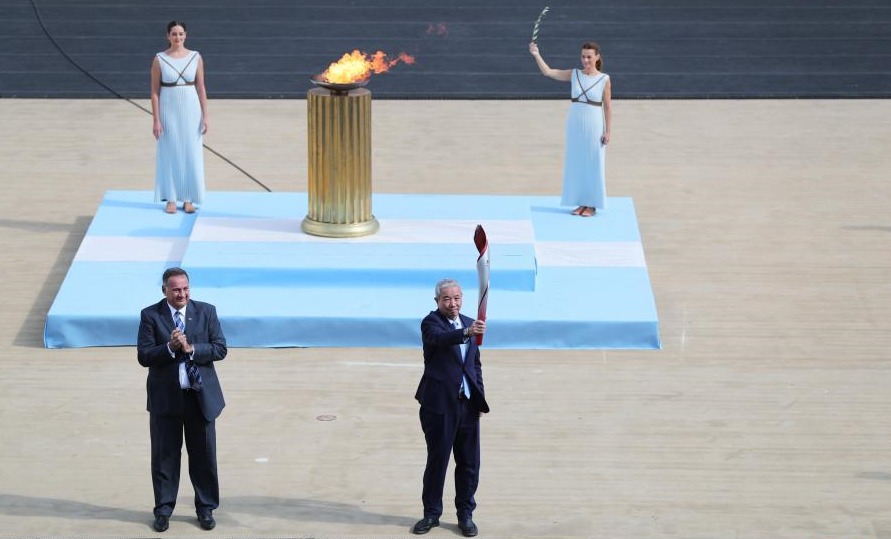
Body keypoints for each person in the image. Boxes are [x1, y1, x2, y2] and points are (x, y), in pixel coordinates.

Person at [137, 267, 226, 532]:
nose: (182, 294)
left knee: (204, 456)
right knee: (165, 457)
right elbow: (144, 356)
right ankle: (163, 510)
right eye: (176, 289)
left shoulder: (206, 311)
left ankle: (206, 508)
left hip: (199, 399)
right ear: (164, 290)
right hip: (166, 401)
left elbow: (220, 348)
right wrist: (169, 348)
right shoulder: (150, 315)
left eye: (185, 288)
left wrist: (192, 349)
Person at [413, 279, 489, 537]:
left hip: (467, 406)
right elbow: (440, 340)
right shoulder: (430, 323)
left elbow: (474, 365)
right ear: (437, 301)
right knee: (438, 461)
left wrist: (479, 399)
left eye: (456, 298)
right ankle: (431, 514)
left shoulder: (470, 322)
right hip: (440, 406)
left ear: (462, 298)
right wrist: (467, 333)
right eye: (446, 299)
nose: (452, 303)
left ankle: (465, 514)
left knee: (469, 464)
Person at [529, 41, 612, 217]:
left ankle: (592, 204)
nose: (585, 60)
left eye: (589, 57)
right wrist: (536, 54)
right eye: (583, 56)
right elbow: (549, 72)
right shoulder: (574, 74)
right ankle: (581, 202)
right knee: (577, 163)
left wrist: (608, 131)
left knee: (593, 164)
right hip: (575, 125)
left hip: (594, 125)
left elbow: (608, 107)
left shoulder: (604, 79)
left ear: (597, 57)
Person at [151, 21, 208, 214]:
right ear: (168, 36)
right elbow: (154, 92)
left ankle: (189, 199)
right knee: (169, 152)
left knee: (191, 153)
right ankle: (171, 199)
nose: (178, 38)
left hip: (192, 110)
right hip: (168, 110)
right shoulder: (159, 59)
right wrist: (156, 120)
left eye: (181, 34)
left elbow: (201, 88)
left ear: (186, 35)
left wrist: (205, 116)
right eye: (174, 34)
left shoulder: (196, 57)